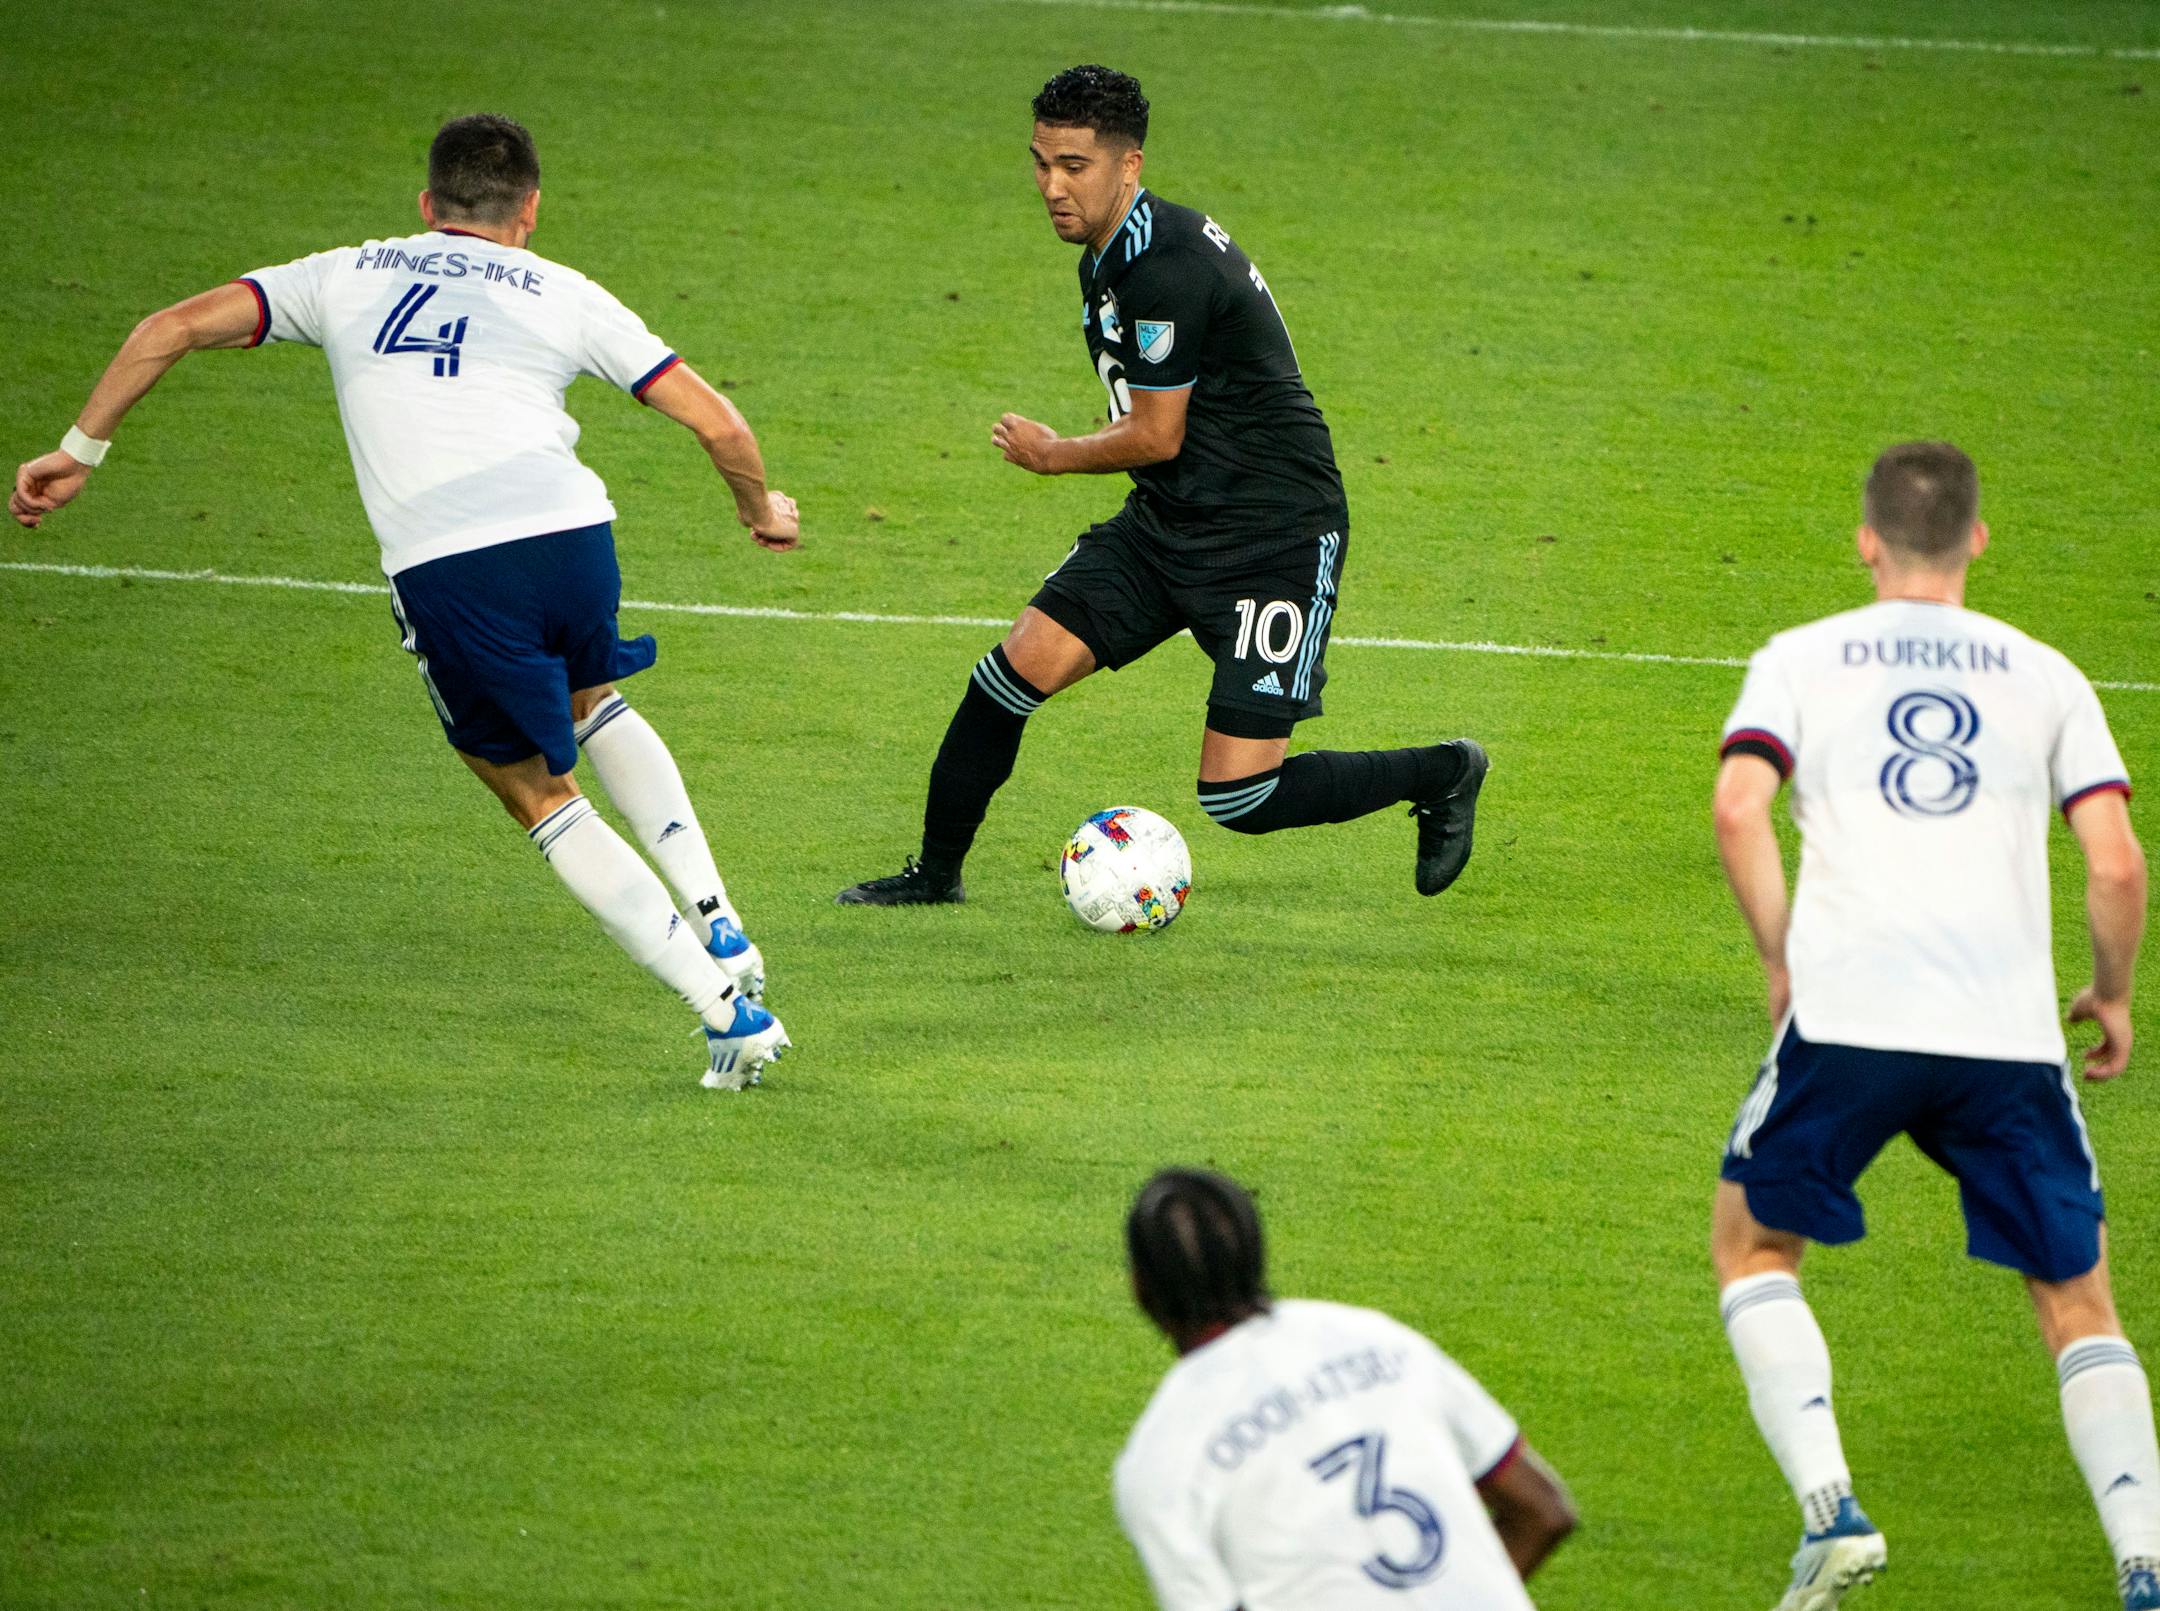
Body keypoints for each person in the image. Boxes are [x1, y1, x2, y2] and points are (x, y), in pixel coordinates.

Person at [9, 114, 796, 1090]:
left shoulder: (342, 274)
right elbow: (716, 420)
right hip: (573, 536)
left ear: (428, 206)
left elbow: (165, 328)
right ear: (531, 210)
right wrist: (760, 508)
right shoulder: (566, 291)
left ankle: (729, 1015)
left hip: (455, 563)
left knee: (534, 792)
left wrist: (76, 455)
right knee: (594, 700)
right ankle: (718, 919)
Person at [836, 65, 1487, 907]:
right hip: (1170, 517)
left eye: (1075, 165)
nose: (1052, 187)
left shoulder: (1166, 268)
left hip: (1272, 538)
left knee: (1239, 795)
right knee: (1009, 673)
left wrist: (1052, 452)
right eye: (1041, 163)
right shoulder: (1111, 250)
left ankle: (1443, 772)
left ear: (1129, 166)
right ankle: (935, 878)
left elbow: (1155, 432)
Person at [1710, 442, 2157, 1608]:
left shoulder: (1799, 659)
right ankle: (2144, 1569)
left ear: (1866, 540)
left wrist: (1777, 957)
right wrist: (2110, 995)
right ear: (1977, 541)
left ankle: (1830, 1512)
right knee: (2078, 1302)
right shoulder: (2048, 674)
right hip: (2006, 1035)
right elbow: (2115, 863)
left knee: (1752, 1246)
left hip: (1850, 1014)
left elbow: (1737, 806)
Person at [1114, 1169, 1576, 1609]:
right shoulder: (1381, 1342)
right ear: (1257, 1251)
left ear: (1140, 1289)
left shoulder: (1160, 1459)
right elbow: (1543, 1512)